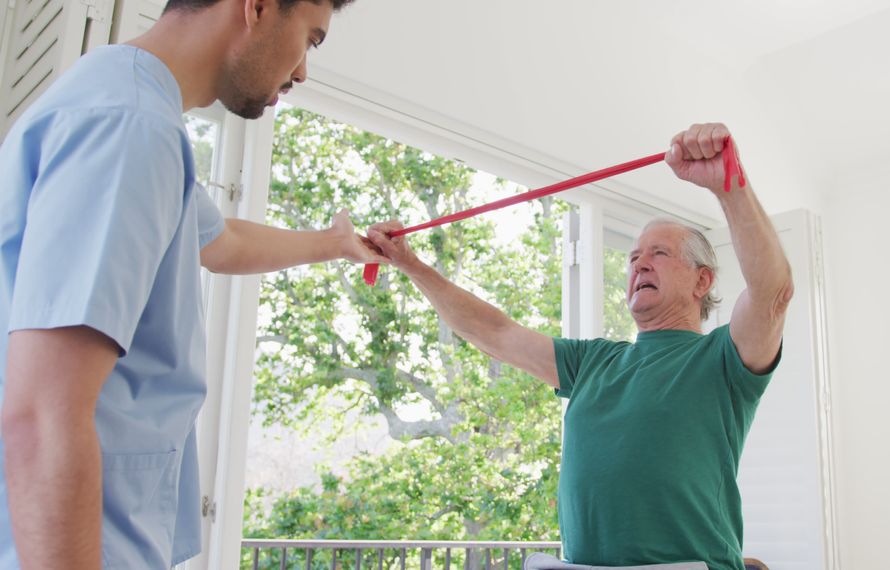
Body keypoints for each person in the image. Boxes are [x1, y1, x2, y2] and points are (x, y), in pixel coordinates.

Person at [0, 0, 385, 566]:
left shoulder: (124, 102)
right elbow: (42, 413)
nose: (303, 70)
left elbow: (220, 240)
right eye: (312, 39)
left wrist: (336, 244)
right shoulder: (130, 127)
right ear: (255, 7)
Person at [367, 122, 794, 570]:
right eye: (632, 258)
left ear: (701, 280)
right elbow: (493, 333)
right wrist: (410, 265)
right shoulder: (592, 361)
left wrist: (730, 187)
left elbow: (773, 294)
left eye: (658, 254)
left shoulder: (722, 359)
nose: (639, 264)